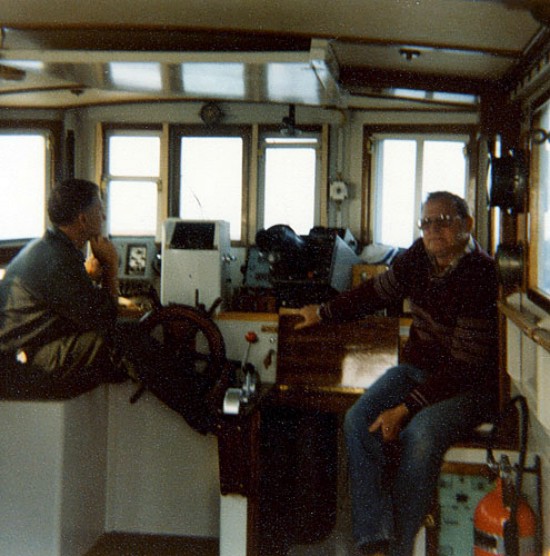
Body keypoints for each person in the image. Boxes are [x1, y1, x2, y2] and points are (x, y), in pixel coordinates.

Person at [295, 191, 499, 556]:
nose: (433, 229)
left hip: (468, 388)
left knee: (419, 435)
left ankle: (401, 546)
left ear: (467, 225)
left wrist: (405, 407)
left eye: (444, 221)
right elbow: (376, 292)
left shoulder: (481, 274)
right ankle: (374, 540)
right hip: (418, 371)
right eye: (426, 222)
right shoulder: (418, 257)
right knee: (358, 420)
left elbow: (464, 366)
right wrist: (323, 312)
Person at [0, 178, 216, 433]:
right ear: (82, 219)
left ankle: (197, 399)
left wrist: (90, 277)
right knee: (121, 340)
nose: (103, 215)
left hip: (24, 357)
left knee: (126, 347)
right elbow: (106, 320)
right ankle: (206, 416)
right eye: (99, 208)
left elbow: (69, 306)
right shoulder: (57, 259)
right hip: (21, 368)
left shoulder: (49, 249)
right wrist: (111, 268)